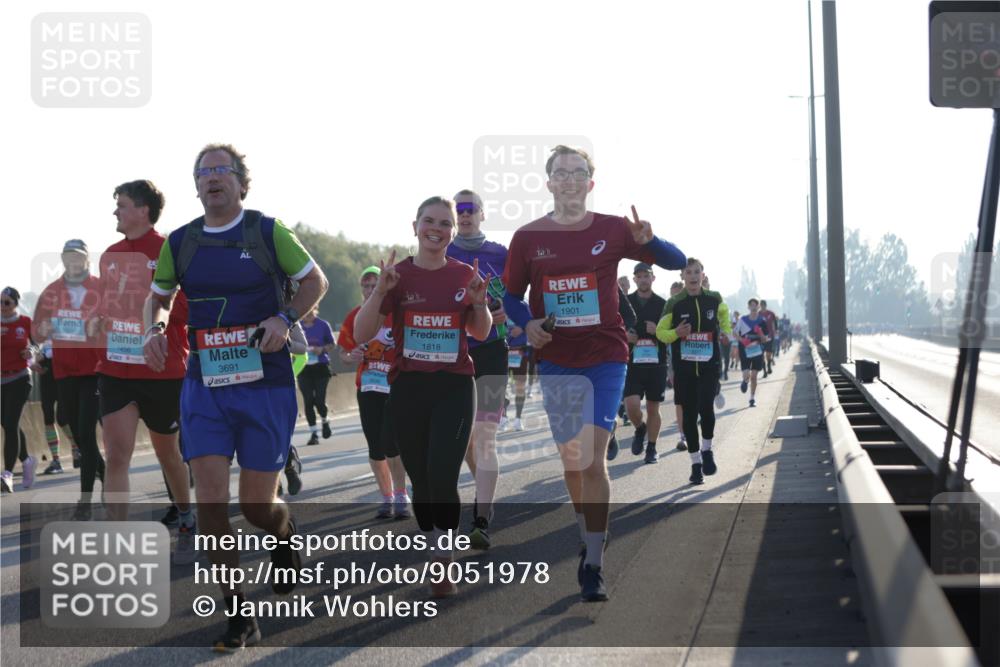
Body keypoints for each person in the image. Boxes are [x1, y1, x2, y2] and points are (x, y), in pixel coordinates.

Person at [146, 143, 328, 651]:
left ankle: (283, 528)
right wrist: (155, 328)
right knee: (210, 506)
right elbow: (159, 295)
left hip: (264, 383)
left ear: (242, 183)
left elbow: (314, 280)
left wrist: (284, 318)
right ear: (196, 184)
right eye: (203, 172)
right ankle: (238, 613)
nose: (212, 178)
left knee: (254, 506)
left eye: (222, 170)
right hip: (205, 384)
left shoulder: (267, 232)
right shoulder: (180, 242)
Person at [503, 145, 686, 602]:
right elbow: (509, 297)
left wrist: (652, 240)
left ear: (590, 182)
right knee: (571, 463)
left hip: (606, 356)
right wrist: (526, 323)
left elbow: (677, 261)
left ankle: (594, 563)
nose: (569, 179)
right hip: (558, 360)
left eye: (578, 172)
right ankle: (590, 530)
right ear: (548, 183)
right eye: (560, 173)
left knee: (591, 459)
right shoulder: (528, 238)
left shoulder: (614, 228)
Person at [354, 196, 492, 598]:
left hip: (453, 386)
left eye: (445, 223)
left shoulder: (465, 274)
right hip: (409, 387)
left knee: (442, 473)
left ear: (453, 231)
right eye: (429, 221)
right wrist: (379, 293)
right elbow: (363, 333)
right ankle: (433, 542)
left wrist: (479, 303)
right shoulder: (397, 276)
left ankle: (443, 558)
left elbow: (480, 332)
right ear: (414, 226)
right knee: (419, 477)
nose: (437, 228)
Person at [90, 179, 195, 545]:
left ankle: (185, 512)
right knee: (116, 454)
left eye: (121, 204)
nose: (115, 211)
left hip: (160, 367)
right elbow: (105, 303)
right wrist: (98, 317)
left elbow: (183, 307)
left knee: (169, 453)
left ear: (143, 210)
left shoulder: (170, 249)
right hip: (116, 368)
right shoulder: (110, 255)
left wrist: (151, 315)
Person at [446, 189, 530, 550]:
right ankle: (486, 495)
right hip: (453, 353)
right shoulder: (441, 253)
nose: (464, 215)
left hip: (493, 351)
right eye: (459, 210)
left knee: (485, 435)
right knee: (463, 440)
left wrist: (508, 314)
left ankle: (481, 517)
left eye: (470, 210)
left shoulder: (500, 253)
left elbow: (518, 295)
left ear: (482, 214)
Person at [33, 239, 106, 518]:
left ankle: (85, 501)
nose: (73, 261)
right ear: (63, 260)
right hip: (64, 372)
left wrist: (100, 324)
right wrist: (42, 331)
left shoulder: (101, 288)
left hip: (95, 370)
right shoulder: (51, 292)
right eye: (68, 257)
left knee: (87, 433)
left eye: (79, 257)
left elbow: (118, 320)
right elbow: (37, 332)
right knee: (77, 434)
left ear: (87, 259)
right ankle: (104, 472)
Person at [338, 265, 411, 520]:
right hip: (367, 388)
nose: (369, 290)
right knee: (376, 447)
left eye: (374, 284)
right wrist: (351, 355)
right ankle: (387, 497)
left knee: (392, 442)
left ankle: (401, 494)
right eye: (365, 285)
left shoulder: (395, 313)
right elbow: (344, 355)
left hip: (395, 387)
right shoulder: (354, 317)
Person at [656, 258, 730, 485]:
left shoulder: (714, 298)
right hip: (685, 369)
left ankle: (707, 451)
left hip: (709, 366)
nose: (693, 276)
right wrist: (676, 333)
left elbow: (725, 318)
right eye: (688, 272)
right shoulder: (674, 303)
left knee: (706, 408)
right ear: (682, 277)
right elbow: (660, 333)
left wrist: (726, 332)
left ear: (702, 274)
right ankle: (695, 463)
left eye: (696, 271)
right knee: (688, 416)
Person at [623, 262, 668, 464]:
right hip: (632, 362)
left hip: (656, 363)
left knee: (653, 408)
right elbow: (614, 329)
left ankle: (652, 448)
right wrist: (625, 336)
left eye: (646, 276)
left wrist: (657, 331)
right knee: (631, 406)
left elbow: (671, 335)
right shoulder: (625, 302)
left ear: (653, 278)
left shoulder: (663, 304)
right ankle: (640, 429)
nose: (643, 279)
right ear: (634, 280)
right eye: (639, 276)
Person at [1, 287, 37, 493]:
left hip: (20, 378)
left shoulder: (25, 322)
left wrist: (30, 351)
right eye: (0, 302)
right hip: (1, 380)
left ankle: (7, 473)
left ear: (15, 303)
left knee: (11, 421)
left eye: (7, 302)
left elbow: (37, 345)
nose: (2, 307)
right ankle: (26, 460)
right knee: (6, 423)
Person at [297, 306, 336, 445]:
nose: (307, 314)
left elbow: (332, 344)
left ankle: (325, 420)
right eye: (305, 311)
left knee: (319, 400)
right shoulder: (297, 326)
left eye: (310, 310)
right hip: (303, 368)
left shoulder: (323, 325)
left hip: (321, 367)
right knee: (308, 400)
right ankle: (314, 434)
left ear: (315, 309)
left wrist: (322, 349)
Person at [36, 339, 74, 474]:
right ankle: (56, 460)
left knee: (63, 418)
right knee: (48, 417)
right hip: (46, 369)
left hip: (62, 367)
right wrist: (35, 357)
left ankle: (76, 448)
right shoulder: (40, 321)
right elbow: (33, 343)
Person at [734, 298, 769, 408]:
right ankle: (745, 381)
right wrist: (742, 340)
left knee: (754, 376)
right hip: (745, 350)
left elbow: (765, 339)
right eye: (751, 306)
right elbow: (734, 333)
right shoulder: (743, 320)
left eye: (755, 305)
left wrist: (760, 333)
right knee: (747, 375)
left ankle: (752, 398)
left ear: (758, 307)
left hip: (757, 351)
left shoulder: (762, 321)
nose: (753, 307)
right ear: (748, 307)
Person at [666, 281, 687, 451]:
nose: (675, 298)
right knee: (680, 400)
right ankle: (683, 436)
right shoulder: (667, 312)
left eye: (677, 294)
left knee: (694, 400)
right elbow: (662, 336)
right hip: (675, 363)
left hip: (697, 361)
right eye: (672, 295)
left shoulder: (694, 309)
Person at [759, 299, 778, 376]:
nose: (762, 307)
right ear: (760, 306)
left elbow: (775, 323)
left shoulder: (771, 313)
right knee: (761, 354)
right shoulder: (758, 314)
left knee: (768, 353)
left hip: (770, 336)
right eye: (761, 305)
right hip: (760, 337)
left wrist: (776, 330)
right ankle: (764, 371)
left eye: (763, 305)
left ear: (765, 305)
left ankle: (769, 366)